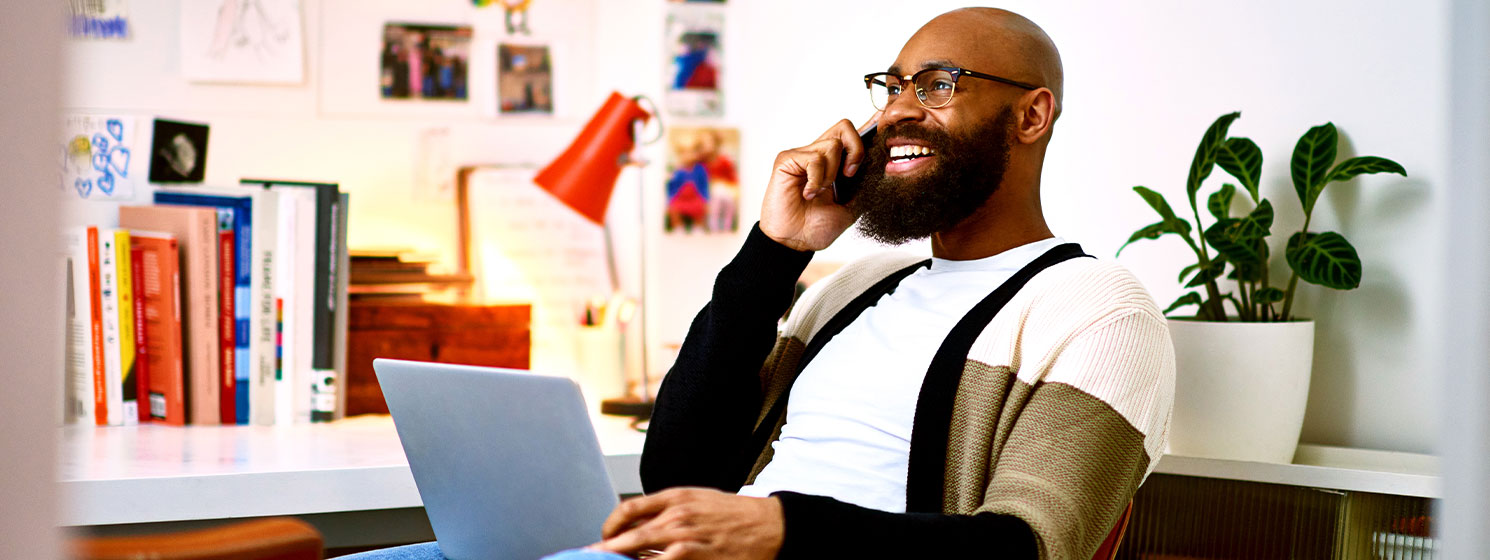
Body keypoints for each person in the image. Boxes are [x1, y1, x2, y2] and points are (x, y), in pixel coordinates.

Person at [348, 7, 1173, 560]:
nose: (897, 113)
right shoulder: (857, 283)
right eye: (891, 87)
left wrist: (779, 529)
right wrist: (777, 250)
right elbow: (678, 466)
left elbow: (1025, 546)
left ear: (1031, 116)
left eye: (938, 85)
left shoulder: (1098, 311)